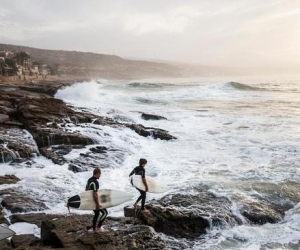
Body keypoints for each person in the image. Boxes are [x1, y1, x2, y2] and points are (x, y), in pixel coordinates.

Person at [86, 167, 108, 232]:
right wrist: (98, 204)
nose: (100, 176)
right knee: (105, 213)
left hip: (90, 200)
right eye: (100, 174)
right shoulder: (95, 182)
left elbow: (86, 190)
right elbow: (95, 194)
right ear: (98, 173)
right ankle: (98, 227)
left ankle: (94, 228)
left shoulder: (89, 180)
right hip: (94, 201)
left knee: (97, 214)